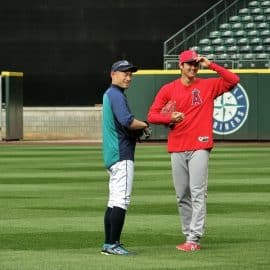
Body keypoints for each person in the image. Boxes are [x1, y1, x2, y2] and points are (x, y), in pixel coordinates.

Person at [147, 50, 239, 252]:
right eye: (189, 64)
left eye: (195, 64)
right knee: (182, 194)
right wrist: (169, 117)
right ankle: (188, 234)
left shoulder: (208, 85)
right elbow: (152, 115)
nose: (193, 67)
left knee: (197, 192)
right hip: (178, 146)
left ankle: (194, 238)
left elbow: (233, 79)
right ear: (180, 66)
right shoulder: (168, 89)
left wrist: (210, 64)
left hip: (200, 145)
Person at [101, 60, 151, 255]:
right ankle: (113, 244)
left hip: (112, 154)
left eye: (130, 74)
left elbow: (121, 125)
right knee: (121, 200)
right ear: (113, 74)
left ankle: (108, 243)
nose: (128, 77)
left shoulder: (109, 94)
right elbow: (127, 121)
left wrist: (135, 130)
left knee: (113, 201)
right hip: (122, 154)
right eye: (124, 73)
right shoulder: (116, 94)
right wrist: (145, 124)